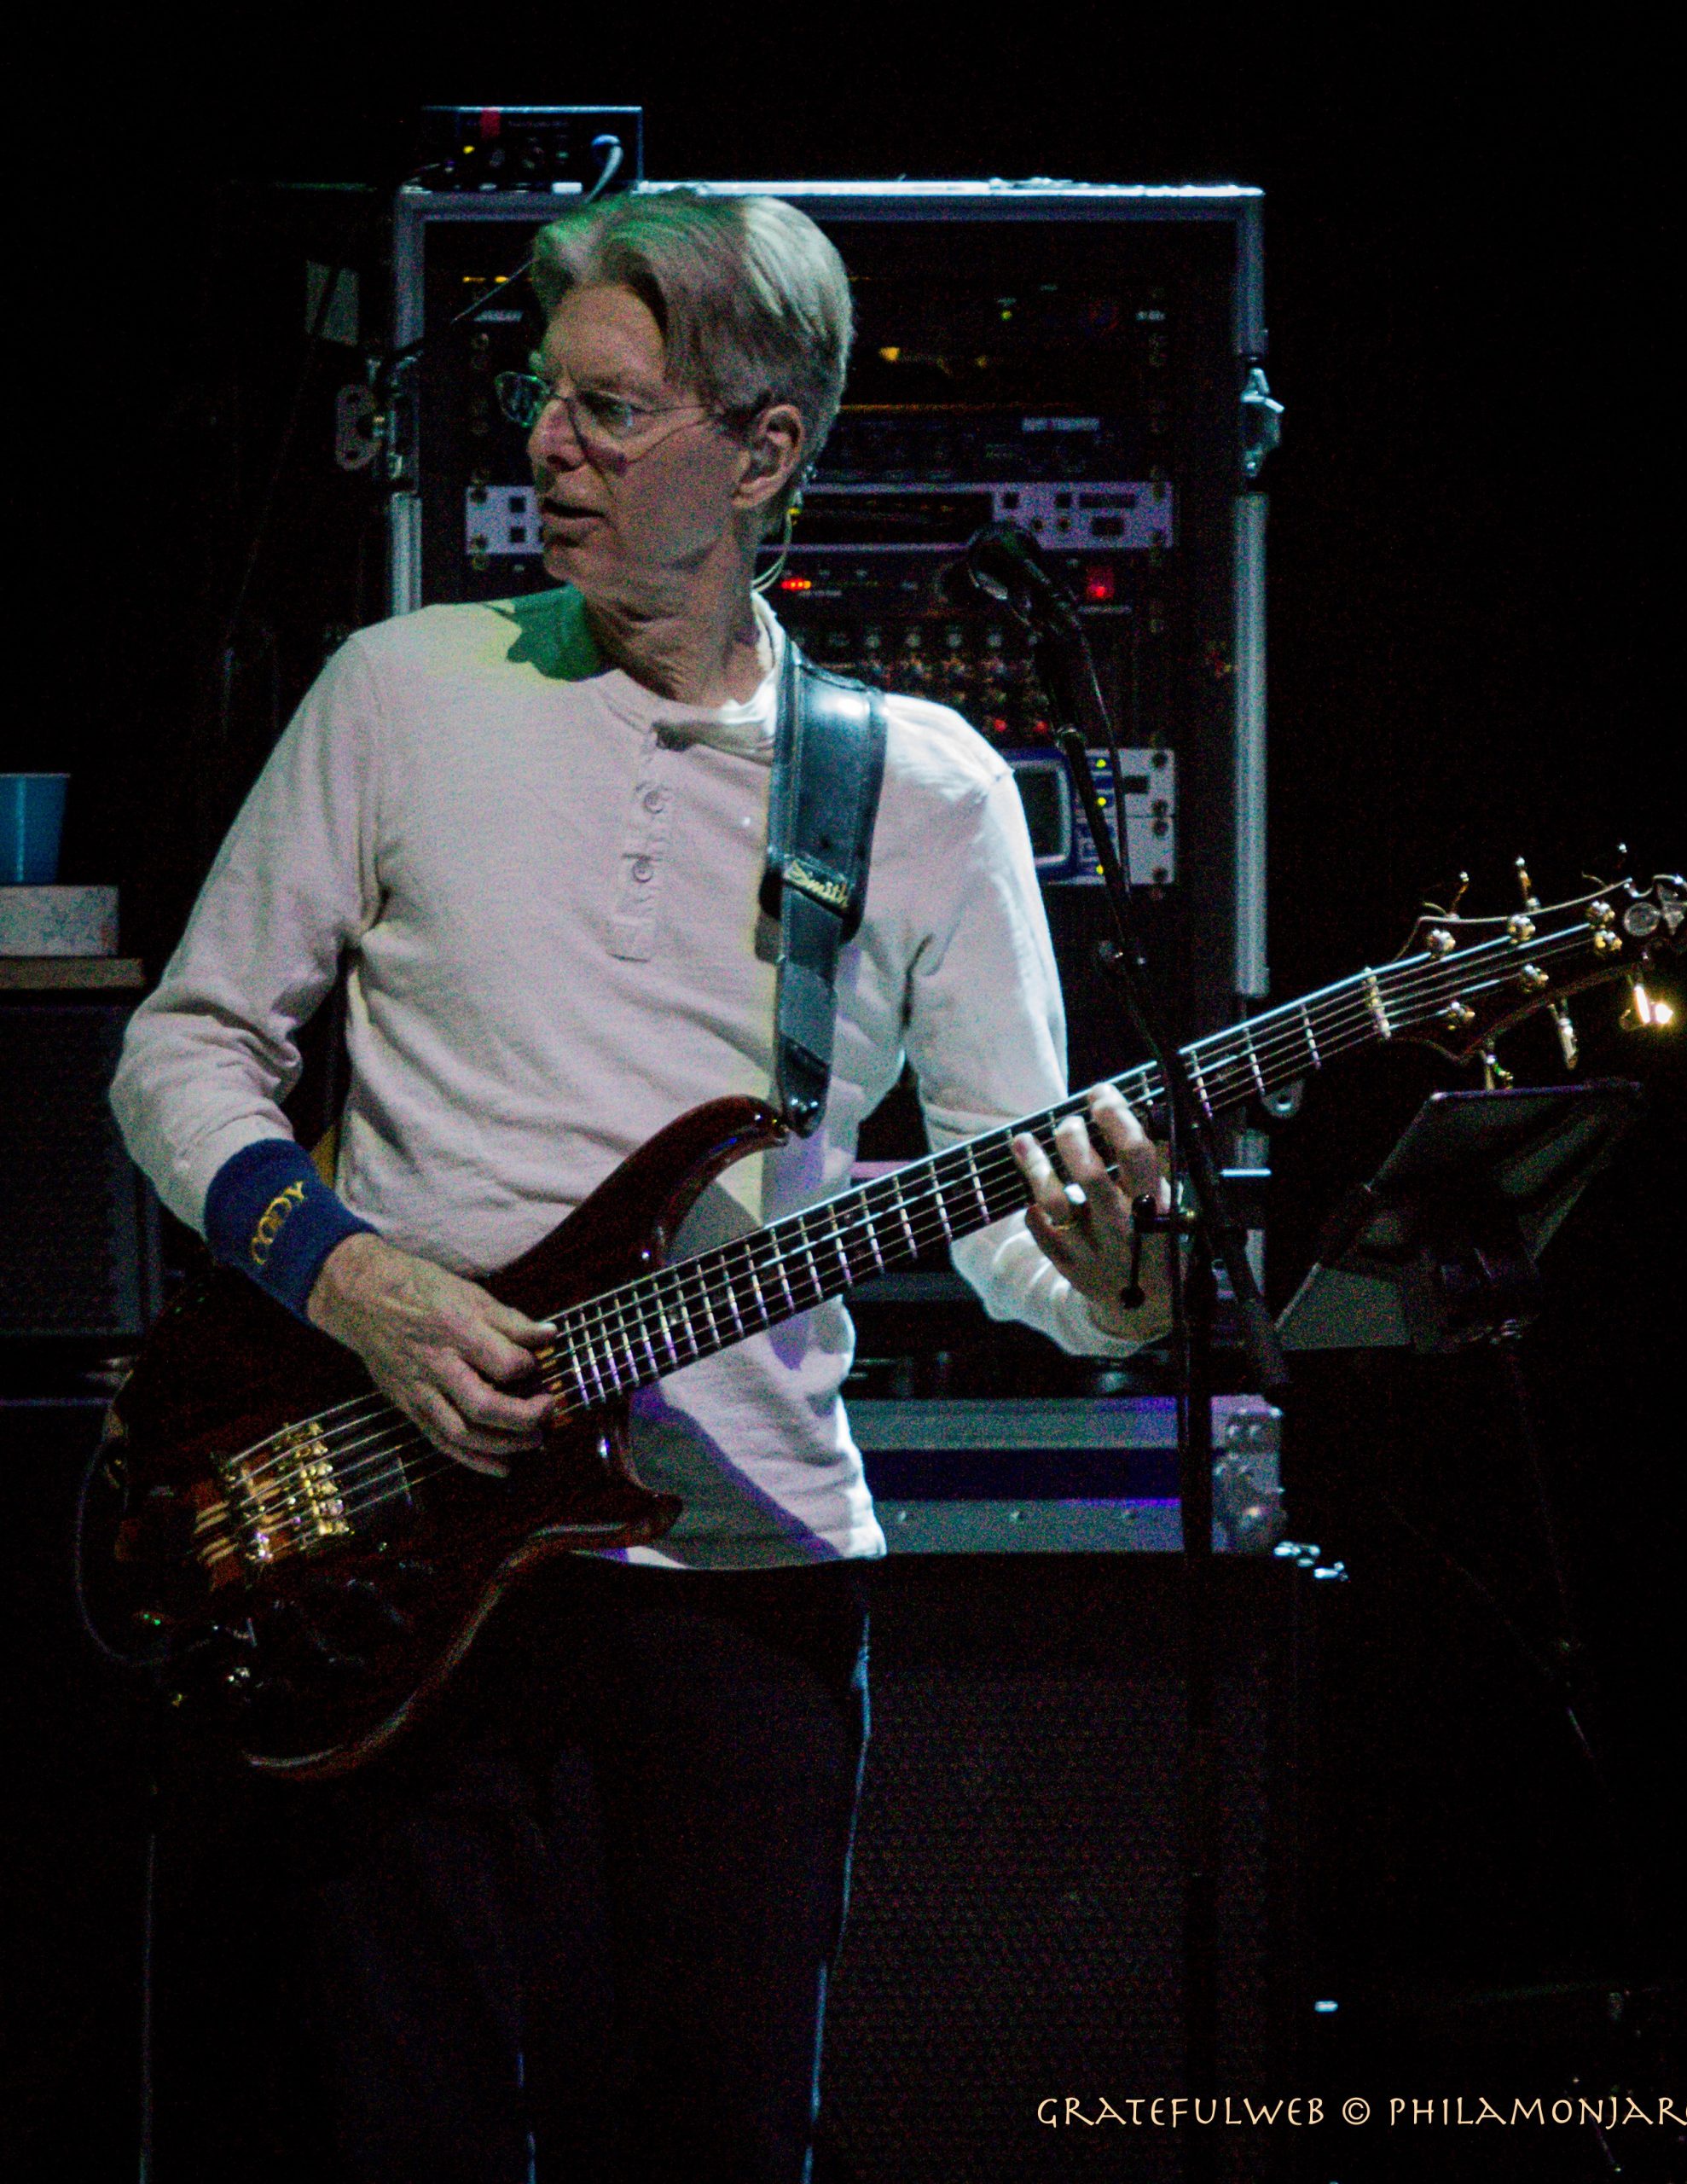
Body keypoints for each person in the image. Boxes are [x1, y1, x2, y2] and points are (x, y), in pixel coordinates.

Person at [111, 188, 1172, 2184]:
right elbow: (184, 1046)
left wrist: (1110, 1277)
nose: (543, 448)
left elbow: (1022, 1213)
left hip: (745, 1593)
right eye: (543, 397)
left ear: (763, 450)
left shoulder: (922, 786)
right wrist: (355, 1283)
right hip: (397, 1539)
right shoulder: (399, 689)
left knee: (705, 2140)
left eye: (607, 410)